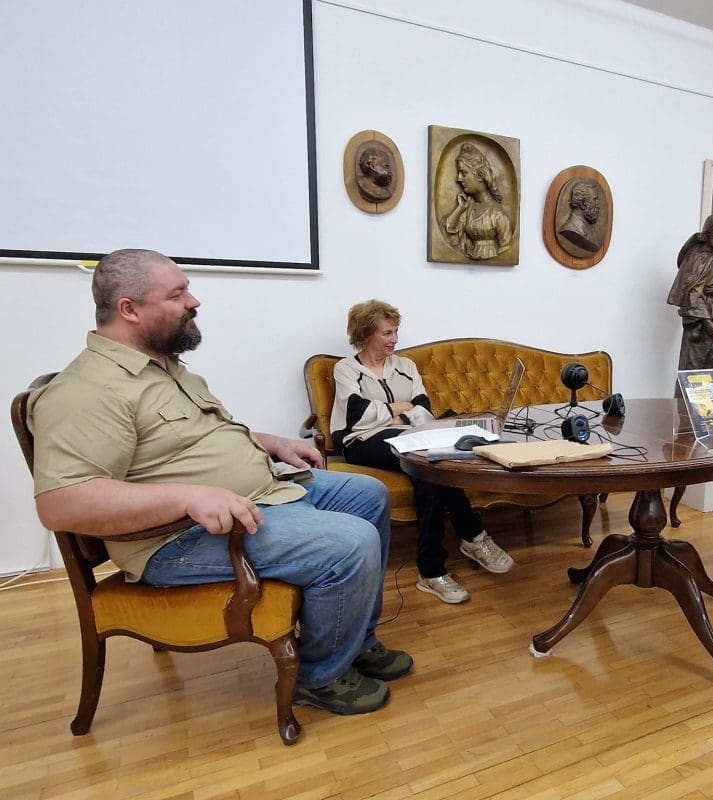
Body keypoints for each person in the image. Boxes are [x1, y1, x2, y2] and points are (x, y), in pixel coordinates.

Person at [26, 249, 410, 716]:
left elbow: (194, 438)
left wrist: (270, 442)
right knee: (351, 542)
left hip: (258, 494)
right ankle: (321, 676)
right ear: (129, 309)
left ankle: (355, 641)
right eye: (177, 294)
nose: (194, 301)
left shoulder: (163, 368)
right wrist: (188, 497)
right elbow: (62, 503)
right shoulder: (88, 391)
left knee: (368, 495)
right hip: (179, 539)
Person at [331, 299, 515, 604]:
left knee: (431, 472)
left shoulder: (406, 367)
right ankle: (471, 536)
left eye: (395, 331)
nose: (394, 339)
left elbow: (424, 410)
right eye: (387, 333)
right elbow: (357, 416)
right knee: (428, 465)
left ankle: (432, 569)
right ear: (365, 334)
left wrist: (393, 415)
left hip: (412, 436)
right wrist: (402, 408)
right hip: (362, 442)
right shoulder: (346, 369)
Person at [666, 213, 713, 374]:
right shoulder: (696, 257)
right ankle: (689, 392)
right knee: (695, 365)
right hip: (703, 316)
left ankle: (710, 392)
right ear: (709, 231)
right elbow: (691, 293)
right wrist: (706, 321)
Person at [440, 142, 514, 260]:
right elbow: (449, 234)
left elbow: (506, 254)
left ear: (479, 175)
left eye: (464, 173)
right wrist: (460, 208)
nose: (459, 178)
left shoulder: (498, 215)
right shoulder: (468, 209)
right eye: (459, 173)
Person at [557, 180, 601, 253]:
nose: (598, 205)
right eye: (594, 200)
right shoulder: (569, 231)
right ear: (582, 204)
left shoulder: (589, 228)